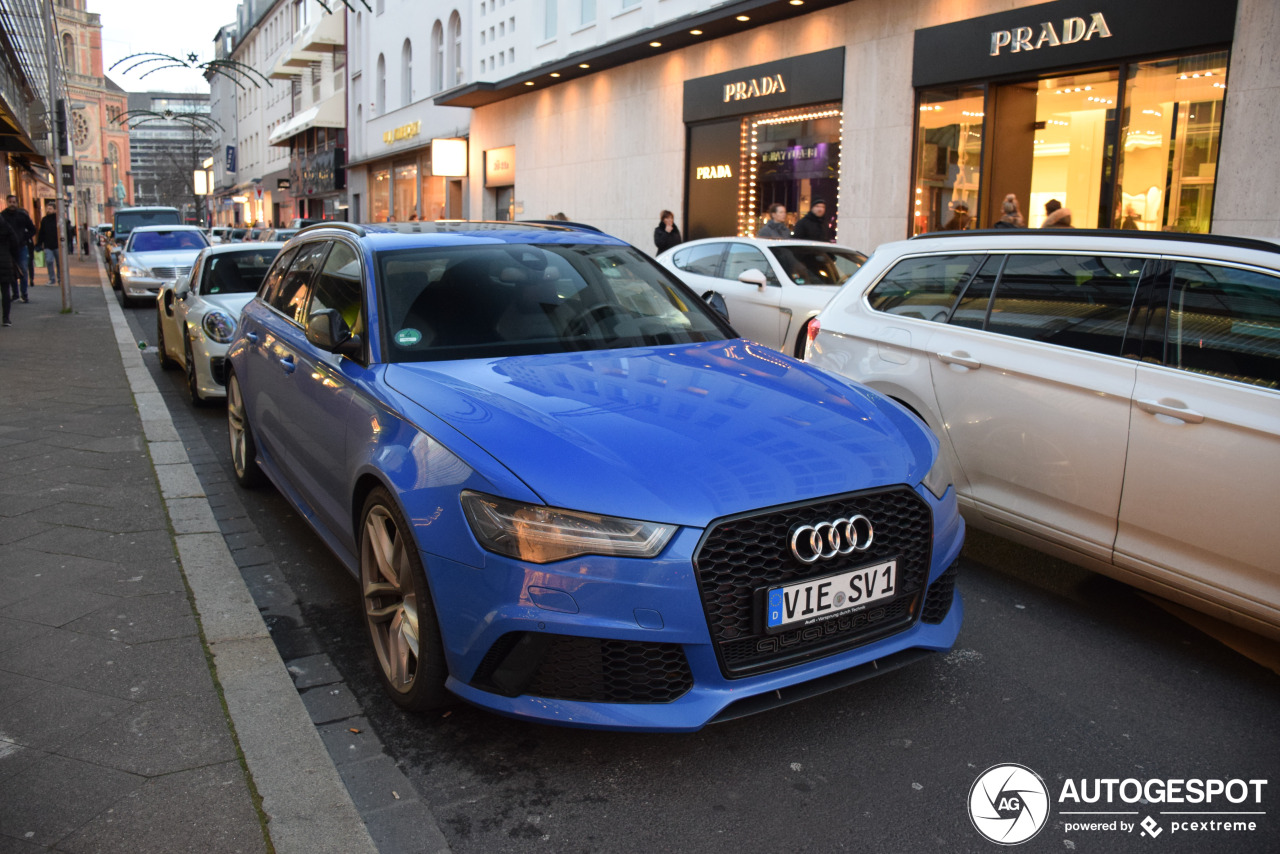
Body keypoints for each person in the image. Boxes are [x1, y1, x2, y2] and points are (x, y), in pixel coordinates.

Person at [1, 194, 35, 302]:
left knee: (23, 269)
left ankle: (24, 294)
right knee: (11, 272)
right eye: (10, 202)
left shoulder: (22, 215)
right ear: (7, 203)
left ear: (17, 203)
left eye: (14, 202)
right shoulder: (3, 216)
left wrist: (24, 237)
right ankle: (15, 293)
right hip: (8, 248)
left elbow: (32, 229)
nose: (12, 204)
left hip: (21, 246)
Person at [0, 212, 18, 326]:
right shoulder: (5, 225)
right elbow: (15, 241)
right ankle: (6, 318)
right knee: (5, 290)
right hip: (5, 260)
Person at [36, 200, 60, 286]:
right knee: (49, 261)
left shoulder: (58, 219)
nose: (48, 210)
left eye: (50, 209)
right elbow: (41, 232)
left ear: (54, 210)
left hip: (58, 245)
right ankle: (52, 279)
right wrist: (39, 243)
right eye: (47, 208)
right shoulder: (44, 220)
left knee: (59, 263)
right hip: (48, 245)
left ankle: (60, 279)